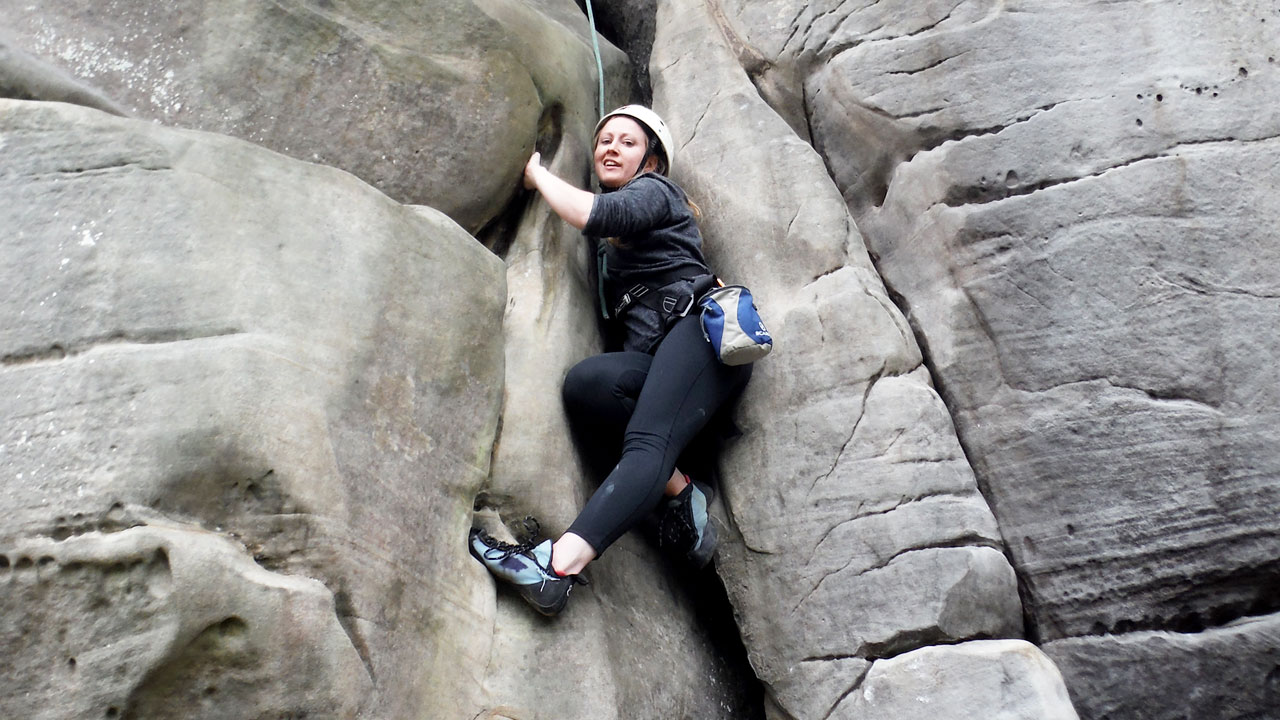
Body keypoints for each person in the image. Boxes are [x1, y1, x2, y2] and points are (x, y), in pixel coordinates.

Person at [468, 105, 753, 616]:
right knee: (587, 384)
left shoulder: (656, 192)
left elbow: (592, 214)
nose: (610, 148)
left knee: (644, 442)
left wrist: (537, 174)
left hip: (699, 337)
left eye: (626, 141)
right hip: (666, 364)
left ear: (651, 161)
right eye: (603, 140)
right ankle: (683, 495)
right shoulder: (620, 245)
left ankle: (557, 567)